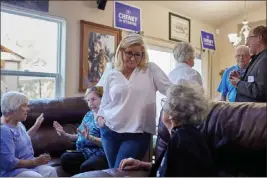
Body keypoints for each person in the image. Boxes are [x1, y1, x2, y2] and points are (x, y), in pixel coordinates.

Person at [97, 33, 172, 168]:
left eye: (138, 54)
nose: (133, 58)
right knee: (113, 172)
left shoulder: (150, 70)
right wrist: (100, 117)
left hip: (137, 133)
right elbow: (105, 102)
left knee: (121, 171)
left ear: (143, 54)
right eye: (129, 53)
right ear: (121, 52)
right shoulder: (112, 74)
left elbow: (171, 90)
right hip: (109, 131)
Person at [119, 81, 215, 177]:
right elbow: (172, 168)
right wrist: (142, 164)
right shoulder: (185, 135)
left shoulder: (182, 141)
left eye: (166, 102)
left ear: (172, 111)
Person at [0, 91, 58, 177]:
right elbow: (9, 163)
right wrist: (35, 162)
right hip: (12, 172)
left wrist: (36, 125)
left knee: (51, 171)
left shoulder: (19, 124)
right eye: (24, 106)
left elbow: (22, 139)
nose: (28, 109)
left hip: (29, 166)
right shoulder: (4, 131)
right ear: (13, 108)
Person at [53, 86, 107, 175]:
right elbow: (81, 135)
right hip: (84, 152)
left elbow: (108, 143)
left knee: (87, 166)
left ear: (102, 99)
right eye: (88, 100)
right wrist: (65, 135)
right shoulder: (88, 115)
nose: (90, 104)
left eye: (93, 99)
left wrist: (90, 138)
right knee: (65, 158)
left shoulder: (106, 117)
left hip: (100, 154)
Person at [230, 25, 267, 102]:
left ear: (259, 38)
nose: (246, 43)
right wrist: (241, 80)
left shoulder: (264, 59)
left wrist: (239, 83)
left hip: (256, 112)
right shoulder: (257, 59)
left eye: (248, 38)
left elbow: (262, 92)